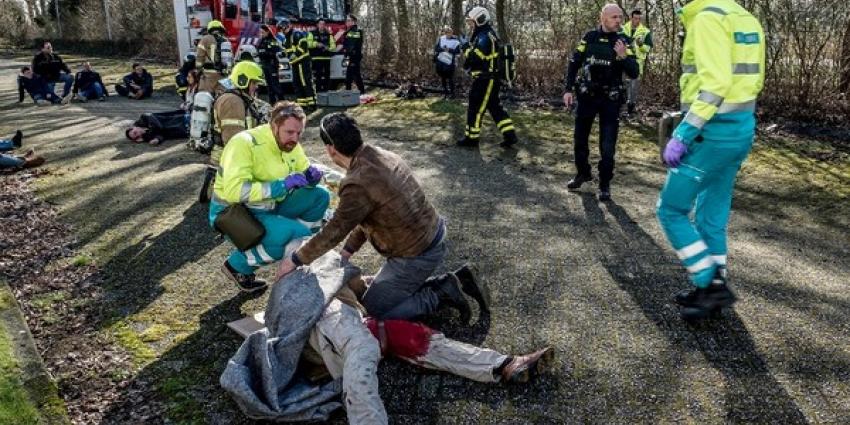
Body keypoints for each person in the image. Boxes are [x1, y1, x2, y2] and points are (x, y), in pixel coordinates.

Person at [290, 241, 555, 424]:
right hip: (334, 340)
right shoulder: (314, 282)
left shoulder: (321, 267)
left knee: (397, 329)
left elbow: (361, 287)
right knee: (391, 341)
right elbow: (357, 370)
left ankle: (503, 363)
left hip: (347, 332)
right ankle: (502, 364)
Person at [276, 113, 488, 325]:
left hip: (416, 254)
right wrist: (349, 249)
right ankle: (458, 280)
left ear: (331, 148)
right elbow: (368, 213)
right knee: (380, 294)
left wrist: (295, 260)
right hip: (431, 236)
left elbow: (334, 230)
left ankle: (439, 295)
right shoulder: (379, 155)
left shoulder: (357, 183)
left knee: (372, 313)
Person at [657, 0, 765, 320]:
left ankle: (709, 282)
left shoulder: (707, 19)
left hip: (711, 134)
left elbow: (715, 85)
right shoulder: (745, 17)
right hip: (741, 131)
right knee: (711, 214)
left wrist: (683, 134)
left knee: (671, 209)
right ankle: (713, 290)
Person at [209, 101, 330, 292]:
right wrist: (280, 186)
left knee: (320, 196)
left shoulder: (290, 144)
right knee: (291, 234)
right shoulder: (244, 143)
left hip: (269, 205)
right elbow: (235, 192)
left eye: (299, 133)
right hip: (234, 214)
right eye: (289, 132)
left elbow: (303, 169)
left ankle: (302, 249)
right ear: (274, 126)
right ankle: (237, 266)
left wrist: (311, 178)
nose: (295, 138)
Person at [562, 4, 639, 201]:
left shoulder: (623, 41)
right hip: (587, 97)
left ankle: (604, 184)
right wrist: (568, 89)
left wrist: (623, 57)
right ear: (603, 18)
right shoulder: (589, 37)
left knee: (607, 145)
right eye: (614, 17)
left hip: (610, 100)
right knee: (580, 139)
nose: (619, 21)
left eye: (620, 17)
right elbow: (574, 62)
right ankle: (583, 173)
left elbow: (634, 72)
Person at [457, 7, 518, 149]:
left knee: (475, 108)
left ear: (480, 19)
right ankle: (510, 135)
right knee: (495, 107)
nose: (470, 25)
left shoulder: (485, 37)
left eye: (472, 22)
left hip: (485, 80)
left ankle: (471, 139)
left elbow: (474, 59)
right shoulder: (486, 34)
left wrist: (465, 46)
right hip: (488, 79)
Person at [277, 18, 316, 110]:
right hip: (294, 63)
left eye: (283, 29)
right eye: (281, 30)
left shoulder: (297, 34)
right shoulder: (285, 39)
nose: (283, 31)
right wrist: (281, 54)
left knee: (305, 82)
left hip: (302, 62)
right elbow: (287, 51)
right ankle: (302, 104)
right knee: (296, 83)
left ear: (288, 26)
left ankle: (312, 104)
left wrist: (296, 54)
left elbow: (304, 46)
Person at [622, 10, 653, 116]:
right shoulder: (623, 29)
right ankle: (620, 108)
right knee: (621, 84)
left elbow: (648, 49)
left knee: (633, 87)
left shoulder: (645, 31)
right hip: (623, 60)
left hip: (636, 62)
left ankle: (630, 109)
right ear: (631, 18)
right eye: (635, 18)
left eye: (639, 18)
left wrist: (640, 45)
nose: (637, 20)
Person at [196, 20, 231, 94]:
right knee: (221, 96)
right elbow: (231, 58)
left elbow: (200, 56)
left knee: (206, 96)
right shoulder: (226, 41)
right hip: (224, 75)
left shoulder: (205, 39)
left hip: (209, 75)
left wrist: (198, 69)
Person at [125, 110, 190, 146]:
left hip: (183, 119)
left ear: (134, 127)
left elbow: (158, 126)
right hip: (185, 131)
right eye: (137, 137)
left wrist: (150, 136)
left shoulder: (144, 117)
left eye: (135, 132)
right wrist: (157, 140)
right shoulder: (148, 136)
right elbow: (161, 135)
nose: (138, 135)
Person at [256, 24, 283, 104]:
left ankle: (282, 102)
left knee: (275, 85)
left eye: (263, 32)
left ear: (268, 31)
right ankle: (272, 103)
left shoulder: (273, 40)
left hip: (272, 64)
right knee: (269, 86)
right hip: (265, 64)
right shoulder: (261, 41)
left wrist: (265, 52)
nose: (261, 34)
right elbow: (259, 51)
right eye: (260, 32)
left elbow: (276, 51)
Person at [434, 26, 461, 98]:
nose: (448, 34)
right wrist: (442, 49)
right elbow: (436, 48)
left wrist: (449, 50)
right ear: (445, 33)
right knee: (443, 77)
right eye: (446, 32)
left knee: (450, 78)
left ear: (452, 33)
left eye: (449, 33)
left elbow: (458, 52)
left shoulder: (456, 41)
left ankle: (452, 94)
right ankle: (445, 92)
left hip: (450, 62)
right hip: (441, 61)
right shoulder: (441, 39)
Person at [311, 19, 336, 93]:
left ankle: (326, 90)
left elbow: (333, 45)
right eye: (320, 24)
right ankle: (318, 91)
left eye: (323, 24)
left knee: (327, 75)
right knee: (318, 76)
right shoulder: (312, 33)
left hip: (327, 58)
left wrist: (328, 48)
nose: (322, 25)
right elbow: (308, 43)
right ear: (317, 25)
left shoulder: (329, 34)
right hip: (317, 58)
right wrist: (316, 44)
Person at [342, 14, 365, 93]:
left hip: (353, 57)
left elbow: (351, 45)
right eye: (346, 20)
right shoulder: (350, 31)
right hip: (350, 57)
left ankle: (360, 92)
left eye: (348, 20)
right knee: (351, 75)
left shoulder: (355, 31)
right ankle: (350, 92)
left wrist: (347, 54)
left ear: (353, 22)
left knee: (354, 75)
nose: (346, 22)